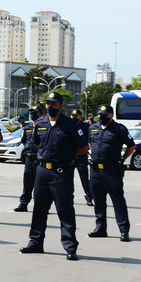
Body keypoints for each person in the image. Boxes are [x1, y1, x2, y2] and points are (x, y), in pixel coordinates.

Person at [20, 92, 88, 261]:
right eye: (48, 103)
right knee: (39, 209)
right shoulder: (41, 123)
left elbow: (83, 148)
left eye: (54, 104)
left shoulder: (71, 125)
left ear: (61, 106)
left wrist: (66, 158)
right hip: (42, 172)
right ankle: (35, 242)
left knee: (65, 210)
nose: (50, 106)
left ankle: (70, 246)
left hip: (61, 173)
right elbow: (36, 143)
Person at [87, 104, 135, 242]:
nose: (101, 117)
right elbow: (90, 144)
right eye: (99, 115)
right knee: (98, 200)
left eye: (104, 115)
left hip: (111, 170)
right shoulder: (92, 128)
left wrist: (122, 158)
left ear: (111, 115)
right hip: (95, 170)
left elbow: (131, 146)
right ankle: (100, 228)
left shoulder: (119, 129)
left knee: (118, 200)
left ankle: (124, 230)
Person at [15, 107, 41, 212]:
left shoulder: (44, 126)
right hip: (29, 158)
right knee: (27, 183)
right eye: (31, 112)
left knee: (40, 184)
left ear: (40, 114)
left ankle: (40, 206)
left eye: (35, 112)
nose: (33, 114)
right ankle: (23, 203)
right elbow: (24, 141)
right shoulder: (27, 127)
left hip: (40, 159)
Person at [70, 109, 93, 206]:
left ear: (81, 117)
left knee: (84, 178)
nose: (74, 117)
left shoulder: (86, 126)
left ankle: (89, 197)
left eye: (76, 116)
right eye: (73, 116)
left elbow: (89, 140)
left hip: (81, 156)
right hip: (70, 156)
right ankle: (69, 197)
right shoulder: (68, 126)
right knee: (68, 179)